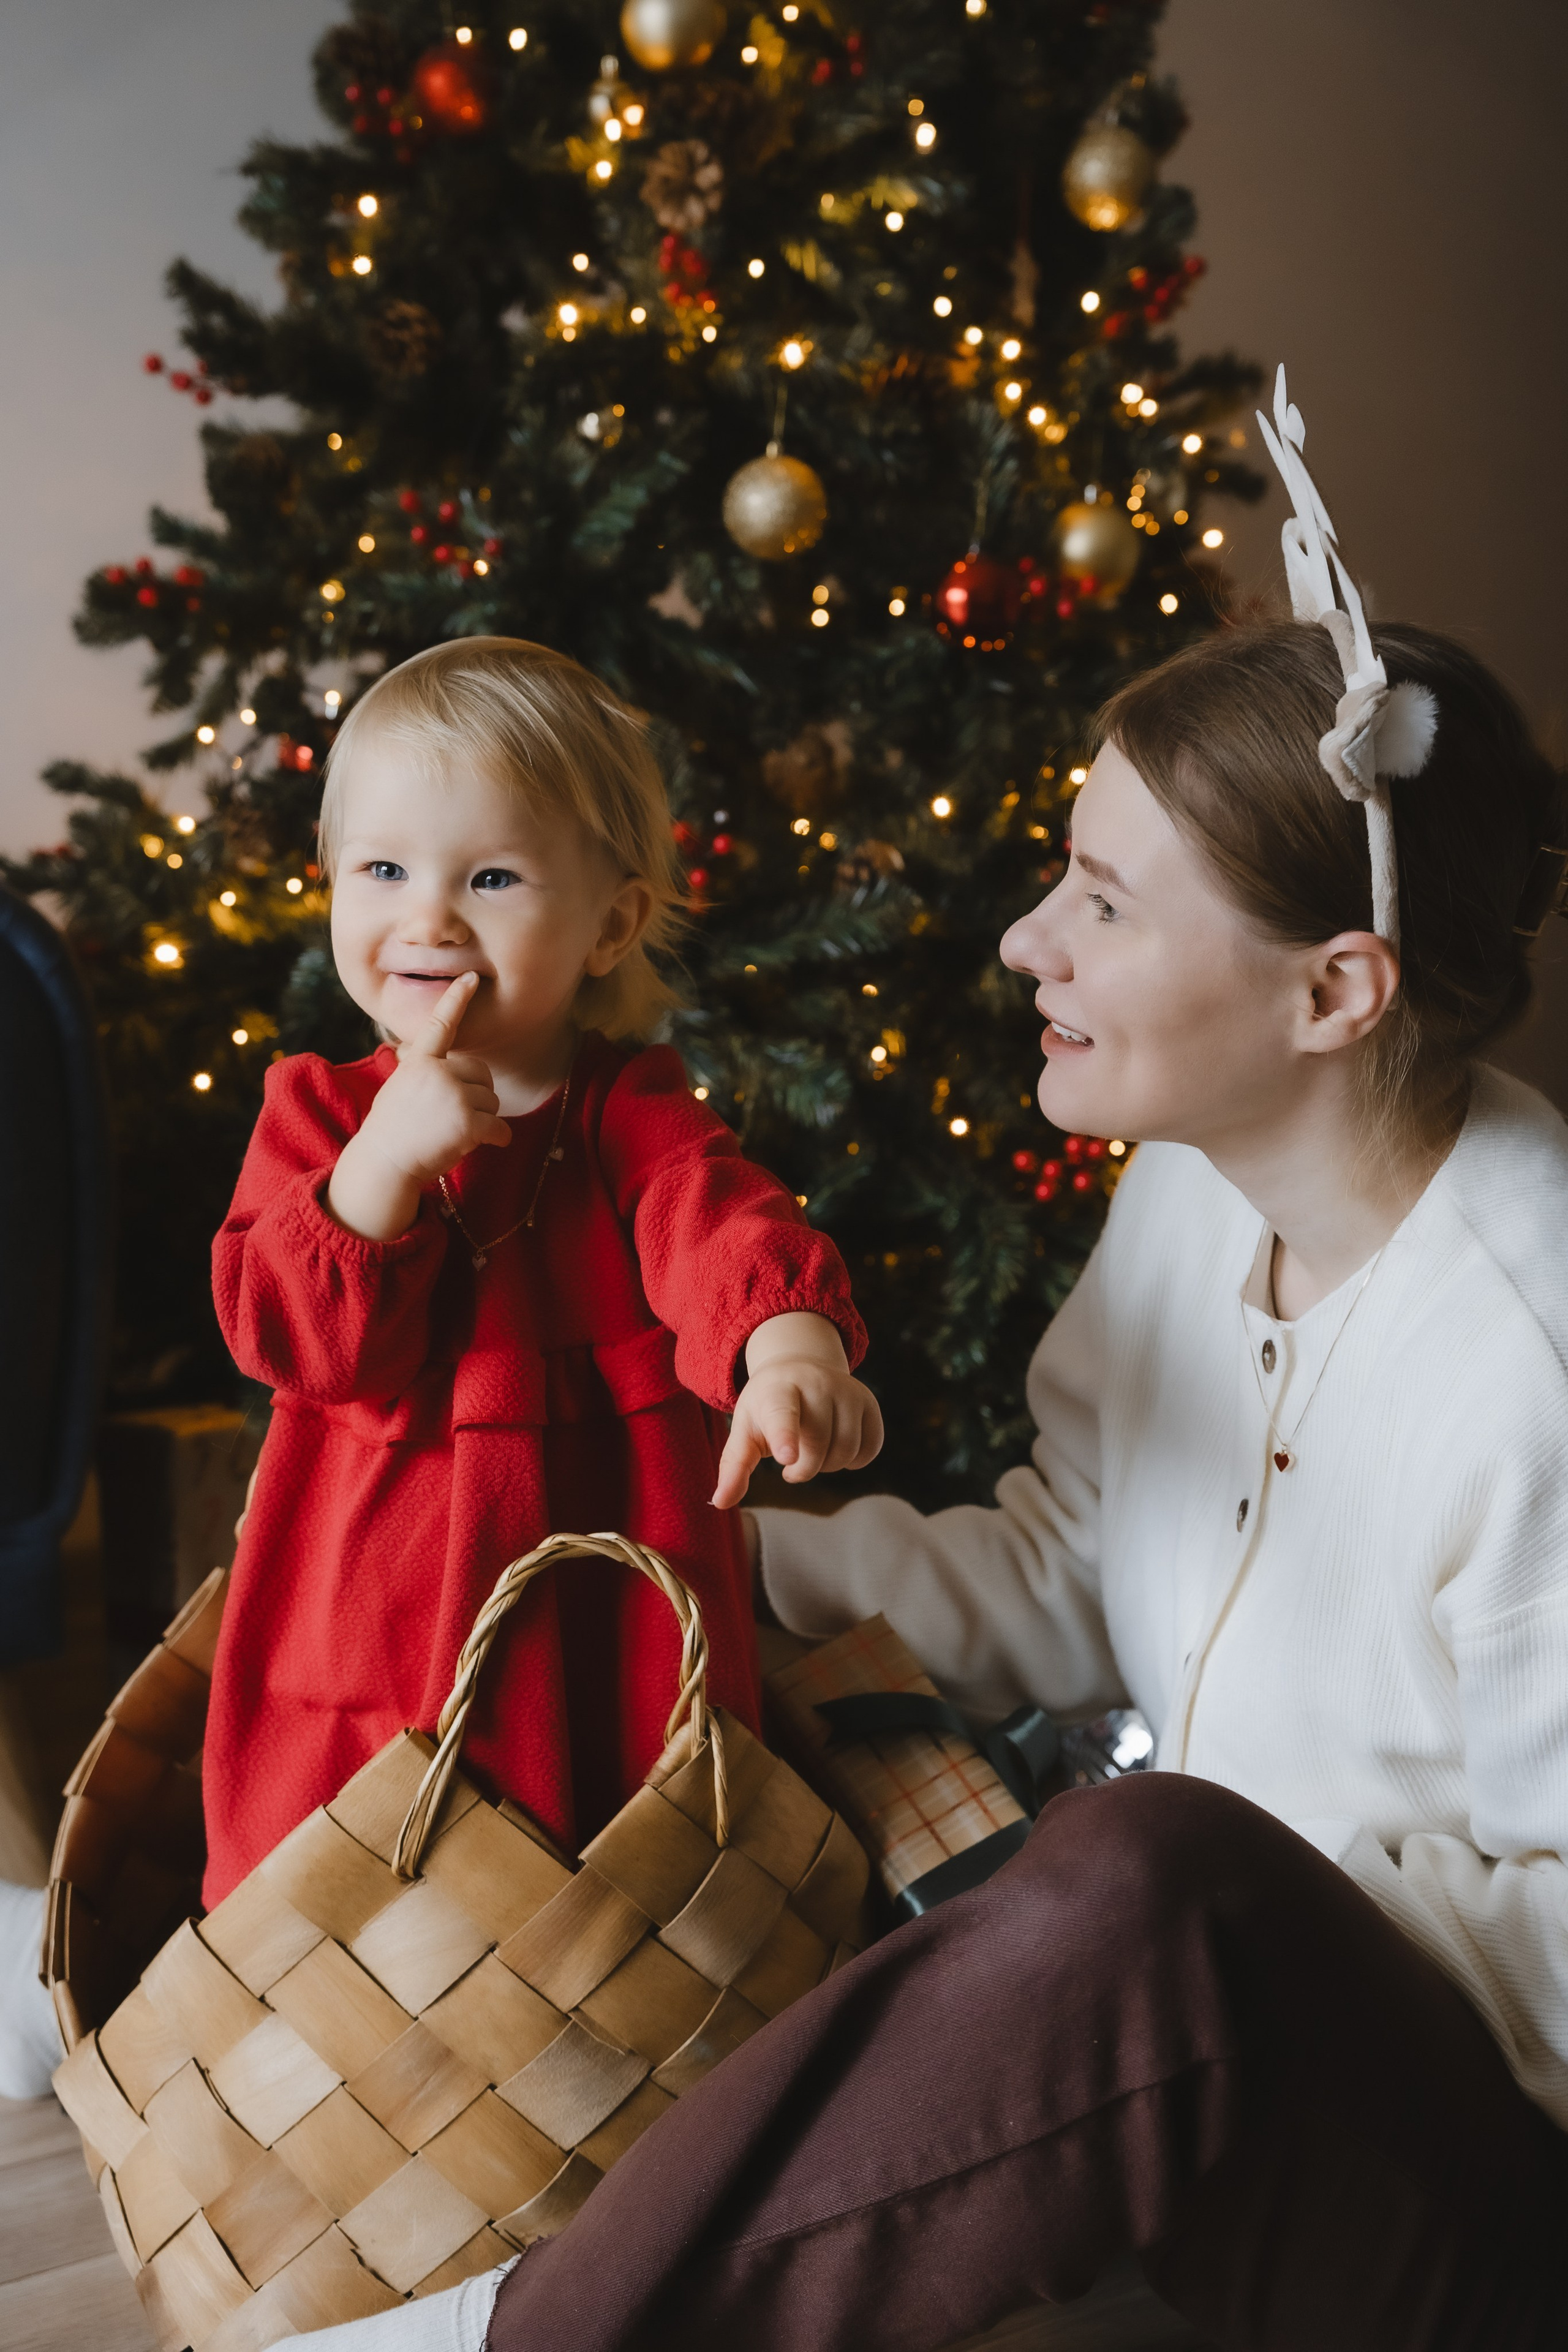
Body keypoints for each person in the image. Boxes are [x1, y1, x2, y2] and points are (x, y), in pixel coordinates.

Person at [290, 378, 1568, 2352]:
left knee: (1136, 1867)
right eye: (1066, 868)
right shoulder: (1196, 1188)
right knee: (958, 1806)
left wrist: (1208, 1918)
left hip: (1488, 2209)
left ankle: (515, 2341)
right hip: (1201, 2056)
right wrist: (727, 1562)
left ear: (1336, 991)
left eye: (1106, 905)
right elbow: (1066, 1564)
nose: (1028, 941)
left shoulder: (1533, 1355)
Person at [201, 638, 881, 1901]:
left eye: (492, 877)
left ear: (609, 923)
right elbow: (294, 1343)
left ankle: (618, 1986)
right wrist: (380, 1172)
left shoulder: (628, 1114)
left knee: (618, 1849)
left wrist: (788, 1349)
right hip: (375, 1579)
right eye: (383, 870)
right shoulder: (319, 1115)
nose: (427, 918)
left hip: (597, 1582)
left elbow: (721, 1227)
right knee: (345, 1849)